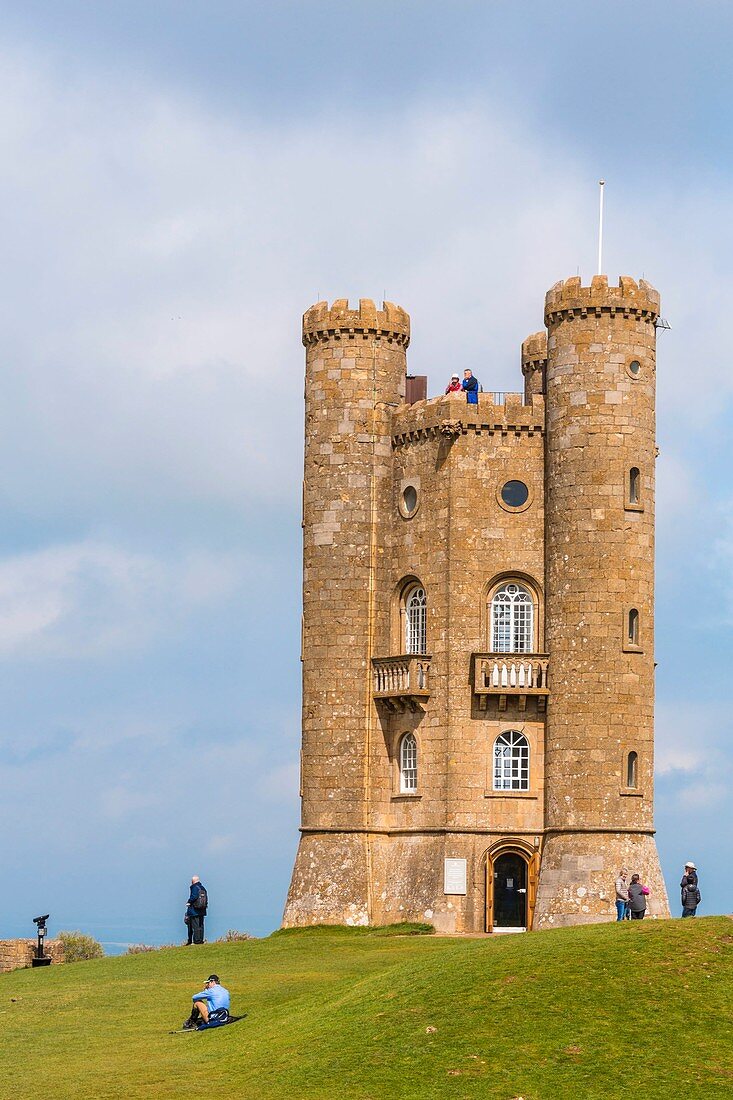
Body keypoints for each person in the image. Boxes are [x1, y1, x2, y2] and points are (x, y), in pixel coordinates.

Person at [185, 875, 208, 945]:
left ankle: (196, 941)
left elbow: (194, 896)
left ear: (193, 881)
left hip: (194, 910)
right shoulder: (203, 888)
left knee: (195, 926)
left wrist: (188, 902)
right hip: (202, 909)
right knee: (201, 925)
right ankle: (200, 940)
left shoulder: (194, 887)